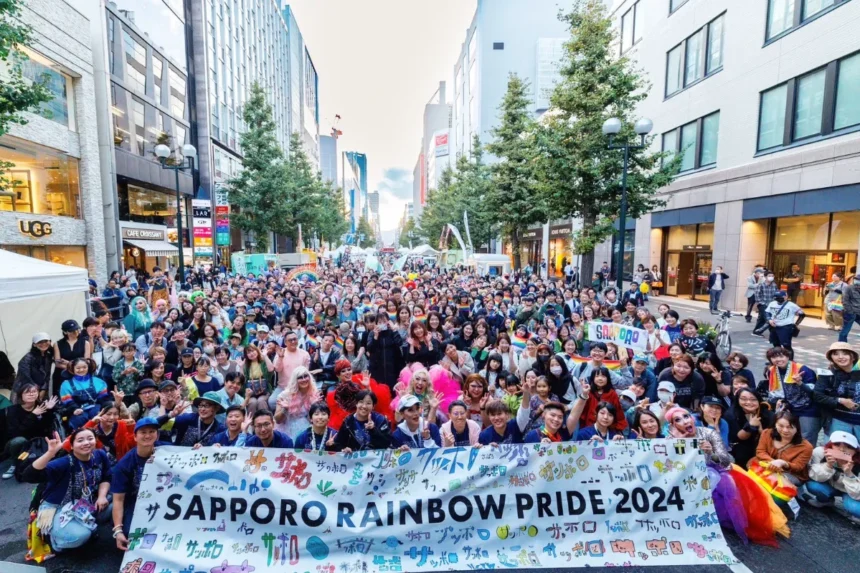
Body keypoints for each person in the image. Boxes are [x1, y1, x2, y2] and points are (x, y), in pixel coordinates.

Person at [23, 428, 111, 552]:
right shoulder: (64, 463)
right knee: (81, 536)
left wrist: (102, 496)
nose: (86, 443)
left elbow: (107, 477)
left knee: (114, 505)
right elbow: (28, 476)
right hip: (57, 507)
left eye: (90, 438)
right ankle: (54, 542)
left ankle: (84, 525)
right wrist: (50, 453)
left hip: (84, 503)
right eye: (80, 440)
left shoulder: (100, 455)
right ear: (72, 446)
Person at [111, 417, 162, 550]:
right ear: (135, 437)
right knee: (131, 534)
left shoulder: (167, 451)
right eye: (143, 432)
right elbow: (118, 499)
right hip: (136, 500)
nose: (148, 435)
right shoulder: (124, 464)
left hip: (163, 498)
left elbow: (189, 455)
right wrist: (118, 530)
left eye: (152, 431)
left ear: (157, 435)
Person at [759, 346, 819, 444]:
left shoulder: (802, 369)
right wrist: (777, 401)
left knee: (807, 437)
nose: (778, 359)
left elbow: (814, 392)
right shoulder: (771, 371)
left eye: (781, 356)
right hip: (789, 408)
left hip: (808, 408)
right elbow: (774, 392)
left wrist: (800, 383)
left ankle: (808, 458)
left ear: (787, 356)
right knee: (791, 436)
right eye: (774, 357)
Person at [800, 430, 860, 524]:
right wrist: (828, 466)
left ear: (855, 451)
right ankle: (825, 501)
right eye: (837, 445)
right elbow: (812, 475)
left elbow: (858, 494)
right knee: (812, 485)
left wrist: (849, 474)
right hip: (829, 486)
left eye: (848, 447)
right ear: (830, 445)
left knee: (854, 508)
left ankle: (854, 513)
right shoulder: (820, 453)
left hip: (851, 493)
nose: (842, 450)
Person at [2, 383, 58, 479]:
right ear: (21, 395)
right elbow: (16, 433)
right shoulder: (13, 410)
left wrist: (49, 410)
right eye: (27, 392)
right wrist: (32, 415)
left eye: (34, 392)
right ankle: (16, 462)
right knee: (19, 441)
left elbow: (46, 428)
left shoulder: (42, 406)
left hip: (37, 440)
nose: (31, 394)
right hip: (18, 441)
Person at [752, 410, 813, 486]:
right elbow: (760, 451)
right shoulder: (767, 433)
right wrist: (773, 463)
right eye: (781, 426)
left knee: (770, 480)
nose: (785, 430)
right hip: (767, 465)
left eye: (790, 427)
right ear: (775, 425)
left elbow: (798, 467)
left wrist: (783, 463)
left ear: (797, 428)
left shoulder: (806, 447)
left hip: (790, 474)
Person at [814, 342, 860, 440]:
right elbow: (817, 396)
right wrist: (840, 400)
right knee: (835, 452)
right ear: (831, 358)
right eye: (835, 354)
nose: (840, 357)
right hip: (838, 420)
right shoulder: (827, 374)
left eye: (845, 353)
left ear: (853, 356)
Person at [728, 388, 774, 468]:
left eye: (753, 400)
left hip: (765, 447)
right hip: (741, 448)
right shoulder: (731, 414)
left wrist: (760, 430)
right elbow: (737, 437)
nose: (749, 402)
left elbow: (772, 439)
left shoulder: (769, 415)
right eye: (744, 399)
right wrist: (750, 425)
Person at [59, 358, 111, 430]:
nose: (81, 370)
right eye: (78, 368)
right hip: (77, 410)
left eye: (84, 367)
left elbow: (103, 398)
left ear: (88, 367)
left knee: (98, 415)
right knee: (79, 419)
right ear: (72, 369)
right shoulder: (66, 384)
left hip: (95, 407)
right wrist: (75, 409)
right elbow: (68, 401)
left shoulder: (99, 381)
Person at [273, 367, 320, 438]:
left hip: (306, 427)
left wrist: (313, 407)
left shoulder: (314, 394)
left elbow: (313, 420)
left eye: (306, 376)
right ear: (295, 380)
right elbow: (277, 420)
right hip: (287, 428)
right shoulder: (285, 395)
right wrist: (285, 409)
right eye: (300, 377)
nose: (304, 379)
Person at [53, 320, 91, 389]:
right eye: (72, 331)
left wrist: (69, 364)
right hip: (63, 374)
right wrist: (74, 367)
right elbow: (58, 363)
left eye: (77, 329)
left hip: (80, 373)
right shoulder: (58, 344)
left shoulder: (85, 343)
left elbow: (86, 361)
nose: (75, 332)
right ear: (65, 332)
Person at [15, 333, 54, 398]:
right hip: (26, 390)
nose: (44, 344)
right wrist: (36, 389)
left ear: (50, 342)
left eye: (46, 341)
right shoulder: (28, 358)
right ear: (34, 344)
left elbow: (47, 375)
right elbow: (25, 377)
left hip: (41, 389)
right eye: (40, 342)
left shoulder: (48, 356)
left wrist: (44, 389)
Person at [753, 271, 778, 335]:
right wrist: (762, 303)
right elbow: (757, 295)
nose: (771, 277)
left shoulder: (774, 285)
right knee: (768, 319)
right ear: (765, 277)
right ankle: (773, 333)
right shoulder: (761, 285)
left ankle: (756, 331)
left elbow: (776, 294)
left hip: (772, 305)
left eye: (772, 276)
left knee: (761, 319)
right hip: (763, 304)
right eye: (769, 276)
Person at [838, 272, 860, 342]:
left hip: (858, 312)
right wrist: (850, 311)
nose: (857, 281)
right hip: (850, 313)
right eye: (856, 279)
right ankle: (841, 345)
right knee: (845, 331)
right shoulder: (849, 288)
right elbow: (845, 301)